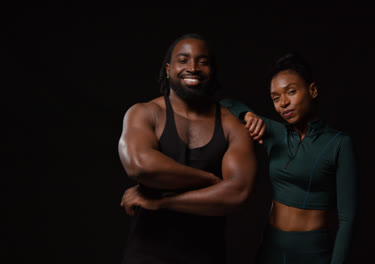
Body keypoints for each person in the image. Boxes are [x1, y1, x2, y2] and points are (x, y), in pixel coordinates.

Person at [118, 33, 257, 264]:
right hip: (147, 255)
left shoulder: (232, 126)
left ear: (212, 70)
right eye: (183, 60)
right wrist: (211, 181)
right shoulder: (145, 113)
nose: (192, 68)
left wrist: (161, 202)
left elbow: (238, 193)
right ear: (168, 68)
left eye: (202, 62)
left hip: (206, 256)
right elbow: (141, 166)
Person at [220, 53, 358, 264]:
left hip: (312, 251)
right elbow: (224, 103)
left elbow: (347, 219)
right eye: (276, 98)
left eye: (291, 92)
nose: (283, 103)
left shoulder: (339, 144)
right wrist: (247, 115)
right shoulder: (274, 132)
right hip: (271, 246)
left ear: (312, 90)